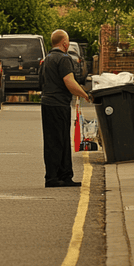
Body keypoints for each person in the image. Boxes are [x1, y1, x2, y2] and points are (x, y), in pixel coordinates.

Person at [40, 29, 90, 188]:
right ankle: (57, 177)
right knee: (59, 140)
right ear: (64, 43)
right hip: (58, 104)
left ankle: (59, 175)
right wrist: (84, 94)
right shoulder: (64, 59)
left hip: (47, 103)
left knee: (54, 141)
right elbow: (69, 81)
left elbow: (42, 81)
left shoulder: (47, 59)